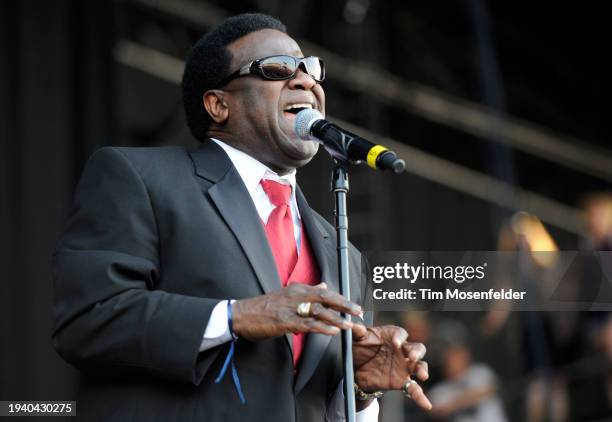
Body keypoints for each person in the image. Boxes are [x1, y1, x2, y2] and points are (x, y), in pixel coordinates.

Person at [52, 13, 431, 421]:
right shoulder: (141, 179)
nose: (305, 81)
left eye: (310, 70)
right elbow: (88, 321)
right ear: (218, 105)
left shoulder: (345, 257)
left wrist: (358, 388)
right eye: (277, 69)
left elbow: (308, 404)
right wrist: (238, 316)